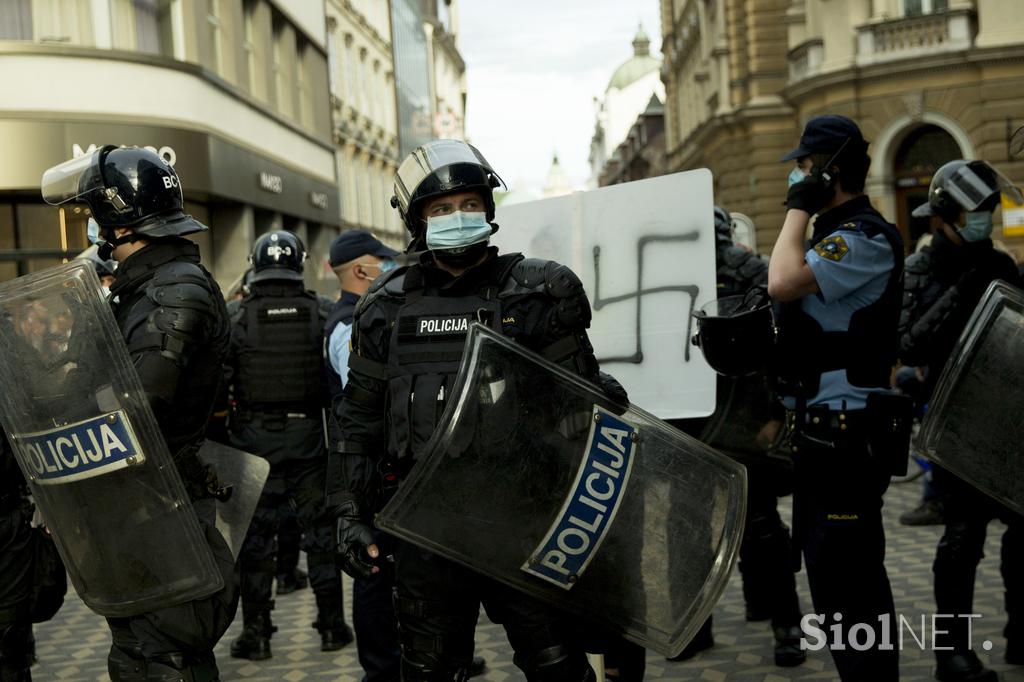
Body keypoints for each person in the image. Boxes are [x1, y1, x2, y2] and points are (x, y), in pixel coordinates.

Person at [329, 139, 626, 681]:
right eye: (441, 210)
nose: (457, 218)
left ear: (489, 211)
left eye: (469, 205)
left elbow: (581, 414)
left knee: (558, 666)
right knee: (430, 670)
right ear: (417, 221)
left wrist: (595, 397)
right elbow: (359, 423)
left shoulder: (539, 292)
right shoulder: (386, 308)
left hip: (524, 522)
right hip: (426, 529)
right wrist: (350, 513)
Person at [43, 145, 238, 681]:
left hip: (159, 501)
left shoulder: (173, 288)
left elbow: (138, 402)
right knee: (135, 653)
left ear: (117, 218)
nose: (92, 231)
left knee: (167, 653)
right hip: (131, 503)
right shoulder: (137, 289)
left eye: (94, 217)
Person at [768, 115, 905, 680]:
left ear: (831, 171)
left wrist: (798, 207)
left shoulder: (863, 237)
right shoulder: (834, 232)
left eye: (805, 167)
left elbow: (782, 280)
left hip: (848, 437)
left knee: (851, 584)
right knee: (830, 577)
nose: (796, 177)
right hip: (821, 435)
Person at [901, 159, 1023, 681]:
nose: (985, 220)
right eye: (977, 211)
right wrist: (963, 290)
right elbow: (908, 344)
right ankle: (953, 654)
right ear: (944, 215)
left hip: (1009, 420)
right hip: (955, 427)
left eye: (989, 211)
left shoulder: (1000, 262)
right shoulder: (919, 270)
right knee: (961, 539)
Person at [677, 206, 805, 667]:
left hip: (743, 416)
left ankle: (785, 622)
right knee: (688, 528)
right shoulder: (664, 269)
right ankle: (693, 627)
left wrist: (776, 411)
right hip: (686, 417)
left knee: (761, 527)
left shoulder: (749, 270)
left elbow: (782, 340)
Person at [224, 230, 352, 660]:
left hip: (252, 448)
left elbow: (219, 386)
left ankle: (257, 636)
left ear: (255, 265)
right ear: (299, 264)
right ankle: (332, 628)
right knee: (320, 537)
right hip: (309, 444)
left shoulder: (235, 317)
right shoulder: (322, 313)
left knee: (256, 545)